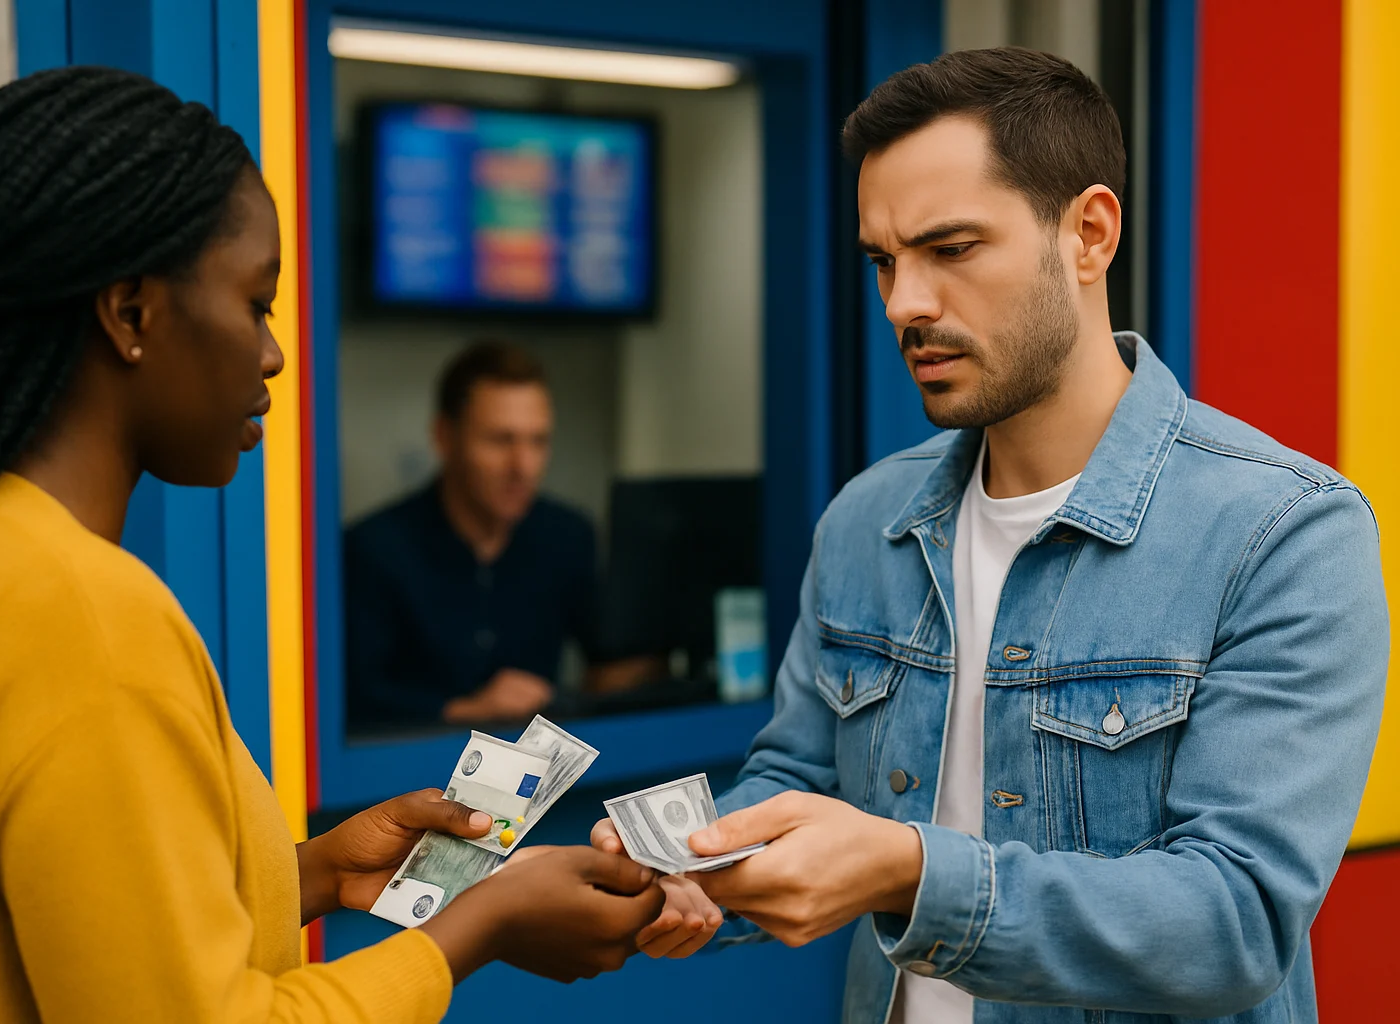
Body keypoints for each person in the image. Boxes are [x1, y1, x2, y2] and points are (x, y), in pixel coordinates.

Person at [594, 47, 1388, 1022]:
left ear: (1089, 234)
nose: (904, 303)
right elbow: (793, 776)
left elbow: (1235, 920)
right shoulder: (865, 521)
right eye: (884, 260)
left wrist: (907, 868)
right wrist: (697, 862)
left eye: (952, 248)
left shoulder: (1282, 532)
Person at [0, 66, 665, 1023]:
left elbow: (89, 935)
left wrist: (314, 873)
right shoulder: (83, 618)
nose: (274, 352)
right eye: (256, 304)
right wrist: (477, 929)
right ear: (130, 313)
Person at [344, 341, 652, 731]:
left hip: (538, 774)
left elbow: (609, 663)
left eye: (538, 441)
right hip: (411, 777)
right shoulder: (376, 548)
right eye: (500, 440)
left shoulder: (567, 536)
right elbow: (353, 699)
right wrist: (463, 710)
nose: (523, 466)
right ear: (444, 437)